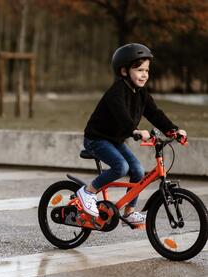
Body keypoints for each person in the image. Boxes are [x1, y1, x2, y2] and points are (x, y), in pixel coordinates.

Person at [76, 43, 187, 226]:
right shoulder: (116, 91)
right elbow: (122, 115)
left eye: (147, 70)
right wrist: (134, 131)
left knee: (137, 170)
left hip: (116, 140)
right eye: (139, 69)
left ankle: (129, 212)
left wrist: (173, 130)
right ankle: (87, 192)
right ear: (124, 71)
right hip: (97, 138)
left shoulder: (142, 93)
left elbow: (155, 114)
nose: (144, 74)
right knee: (121, 167)